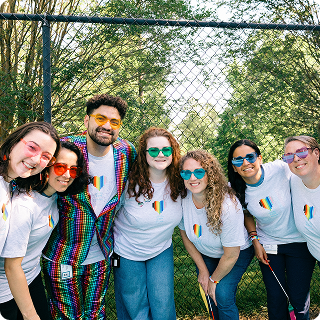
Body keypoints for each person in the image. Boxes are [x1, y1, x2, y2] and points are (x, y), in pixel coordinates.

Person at [41, 94, 136, 319]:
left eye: (114, 122)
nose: (106, 126)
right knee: (66, 316)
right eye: (100, 118)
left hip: (101, 254)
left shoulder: (126, 153)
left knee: (95, 314)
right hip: (63, 253)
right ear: (87, 121)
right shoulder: (66, 149)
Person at [228, 139, 315, 320]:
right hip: (269, 245)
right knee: (276, 299)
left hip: (299, 242)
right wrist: (255, 240)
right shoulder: (234, 188)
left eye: (250, 157)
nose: (245, 163)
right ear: (234, 167)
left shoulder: (280, 169)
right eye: (238, 160)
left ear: (259, 158)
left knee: (298, 301)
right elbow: (246, 213)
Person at [0, 141, 88, 320]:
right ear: (47, 167)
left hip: (32, 275)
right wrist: (30, 314)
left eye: (73, 170)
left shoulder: (52, 195)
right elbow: (11, 267)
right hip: (7, 288)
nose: (67, 175)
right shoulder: (26, 206)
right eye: (61, 167)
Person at [113, 127, 185, 320]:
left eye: (166, 150)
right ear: (144, 154)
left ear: (173, 152)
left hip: (161, 249)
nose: (160, 154)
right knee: (135, 306)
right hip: (127, 250)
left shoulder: (181, 182)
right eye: (153, 150)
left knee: (163, 305)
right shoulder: (127, 183)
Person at [179, 149, 253, 320]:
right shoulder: (183, 198)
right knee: (208, 292)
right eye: (186, 172)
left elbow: (231, 255)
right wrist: (203, 271)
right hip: (208, 253)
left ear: (210, 174)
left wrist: (214, 280)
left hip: (236, 253)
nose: (192, 178)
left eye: (199, 171)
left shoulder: (227, 206)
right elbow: (185, 235)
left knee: (222, 294)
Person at [0, 121, 59, 256]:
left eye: (46, 156)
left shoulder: (8, 185)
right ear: (14, 142)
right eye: (32, 147)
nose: (36, 160)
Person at [284, 135, 320, 265]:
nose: (296, 159)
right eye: (289, 156)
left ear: (316, 153)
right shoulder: (294, 181)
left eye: (302, 152)